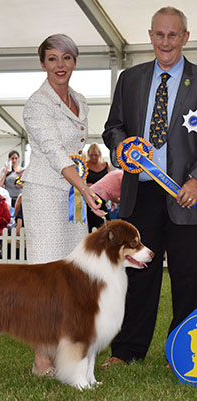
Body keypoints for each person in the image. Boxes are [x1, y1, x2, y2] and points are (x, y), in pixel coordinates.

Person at [101, 7, 197, 368]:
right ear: (150, 35)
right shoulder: (130, 78)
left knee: (189, 277)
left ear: (185, 38)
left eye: (174, 35)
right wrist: (121, 148)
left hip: (186, 195)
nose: (166, 42)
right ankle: (127, 351)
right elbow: (113, 128)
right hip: (140, 193)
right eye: (159, 34)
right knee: (139, 277)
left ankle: (186, 354)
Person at [22, 34, 103, 376]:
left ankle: (66, 352)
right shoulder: (36, 104)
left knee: (71, 279)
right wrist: (85, 188)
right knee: (45, 280)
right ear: (43, 64)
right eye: (52, 59)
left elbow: (77, 149)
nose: (60, 66)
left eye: (67, 58)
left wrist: (81, 189)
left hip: (74, 199)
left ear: (75, 62)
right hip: (45, 193)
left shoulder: (81, 100)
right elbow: (55, 151)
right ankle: (42, 358)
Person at [86, 143, 111, 231]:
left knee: (106, 227)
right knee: (90, 227)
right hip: (89, 200)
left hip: (103, 200)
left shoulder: (106, 165)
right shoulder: (84, 166)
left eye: (96, 155)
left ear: (99, 154)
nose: (93, 157)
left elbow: (110, 182)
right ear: (88, 154)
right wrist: (87, 186)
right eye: (91, 155)